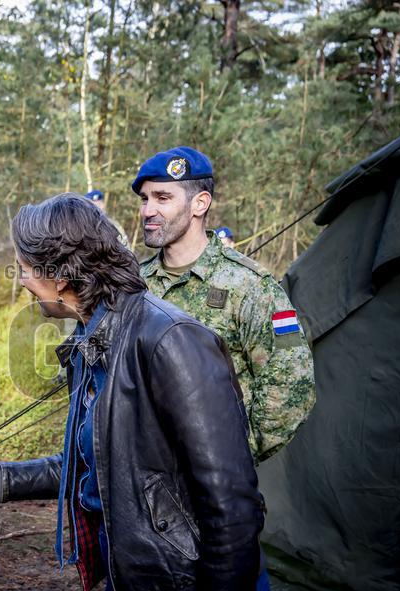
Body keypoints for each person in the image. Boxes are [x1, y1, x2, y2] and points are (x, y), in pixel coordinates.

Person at [0, 192, 268, 591]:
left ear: (60, 275)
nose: (20, 280)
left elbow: (231, 501)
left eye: (23, 267)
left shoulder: (170, 340)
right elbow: (95, 462)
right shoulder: (97, 338)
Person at [134, 147, 315, 461]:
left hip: (212, 491)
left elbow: (291, 384)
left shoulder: (249, 285)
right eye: (145, 199)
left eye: (163, 198)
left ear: (199, 203)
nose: (148, 210)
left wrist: (231, 458)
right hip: (141, 479)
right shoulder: (135, 284)